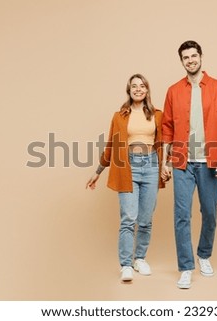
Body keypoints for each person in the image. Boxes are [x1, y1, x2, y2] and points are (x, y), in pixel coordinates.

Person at [161, 40, 217, 289]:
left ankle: (204, 254)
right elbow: (167, 127)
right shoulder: (173, 91)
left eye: (194, 56)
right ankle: (185, 267)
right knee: (181, 214)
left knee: (210, 211)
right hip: (182, 160)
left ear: (201, 57)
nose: (190, 60)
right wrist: (165, 162)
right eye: (185, 57)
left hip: (210, 160)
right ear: (181, 61)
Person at [86, 73, 166, 283]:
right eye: (134, 86)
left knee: (146, 220)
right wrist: (98, 171)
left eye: (142, 86)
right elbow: (111, 146)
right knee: (129, 218)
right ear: (129, 90)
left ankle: (140, 258)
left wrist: (165, 165)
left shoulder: (158, 115)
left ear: (147, 90)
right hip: (127, 166)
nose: (138, 89)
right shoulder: (119, 116)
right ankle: (126, 265)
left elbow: (164, 143)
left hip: (151, 165)